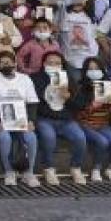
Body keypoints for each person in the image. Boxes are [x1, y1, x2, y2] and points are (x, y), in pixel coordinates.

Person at [0, 50, 40, 187]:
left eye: (8, 62)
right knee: (5, 138)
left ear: (15, 63)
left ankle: (29, 172)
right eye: (2, 63)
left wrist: (31, 121)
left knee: (31, 137)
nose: (5, 65)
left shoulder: (25, 79)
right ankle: (9, 172)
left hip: (21, 120)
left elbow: (32, 102)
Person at [31, 50, 88, 185]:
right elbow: (33, 103)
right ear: (44, 64)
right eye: (50, 63)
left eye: (57, 63)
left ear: (62, 65)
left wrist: (68, 98)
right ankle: (49, 168)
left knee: (80, 137)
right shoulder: (35, 78)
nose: (53, 65)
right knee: (48, 137)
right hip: (45, 118)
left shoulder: (68, 78)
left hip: (66, 120)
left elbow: (79, 105)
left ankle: (76, 168)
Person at [76, 57, 111, 183]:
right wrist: (91, 107)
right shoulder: (81, 87)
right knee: (102, 142)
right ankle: (96, 169)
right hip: (86, 124)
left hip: (103, 124)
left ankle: (110, 168)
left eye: (96, 69)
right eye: (90, 69)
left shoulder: (107, 86)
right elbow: (76, 112)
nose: (94, 71)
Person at [60, 0, 99, 81]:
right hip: (72, 60)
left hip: (91, 58)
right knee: (77, 88)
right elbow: (57, 30)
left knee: (91, 86)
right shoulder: (64, 14)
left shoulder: (90, 17)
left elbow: (95, 37)